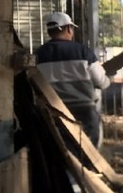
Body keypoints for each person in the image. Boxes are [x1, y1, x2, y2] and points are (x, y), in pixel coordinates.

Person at [35, 12, 111, 147]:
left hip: (53, 112)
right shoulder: (83, 52)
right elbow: (100, 81)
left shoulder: (38, 55)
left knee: (60, 152)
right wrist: (108, 80)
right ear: (69, 29)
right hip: (84, 111)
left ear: (49, 31)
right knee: (89, 153)